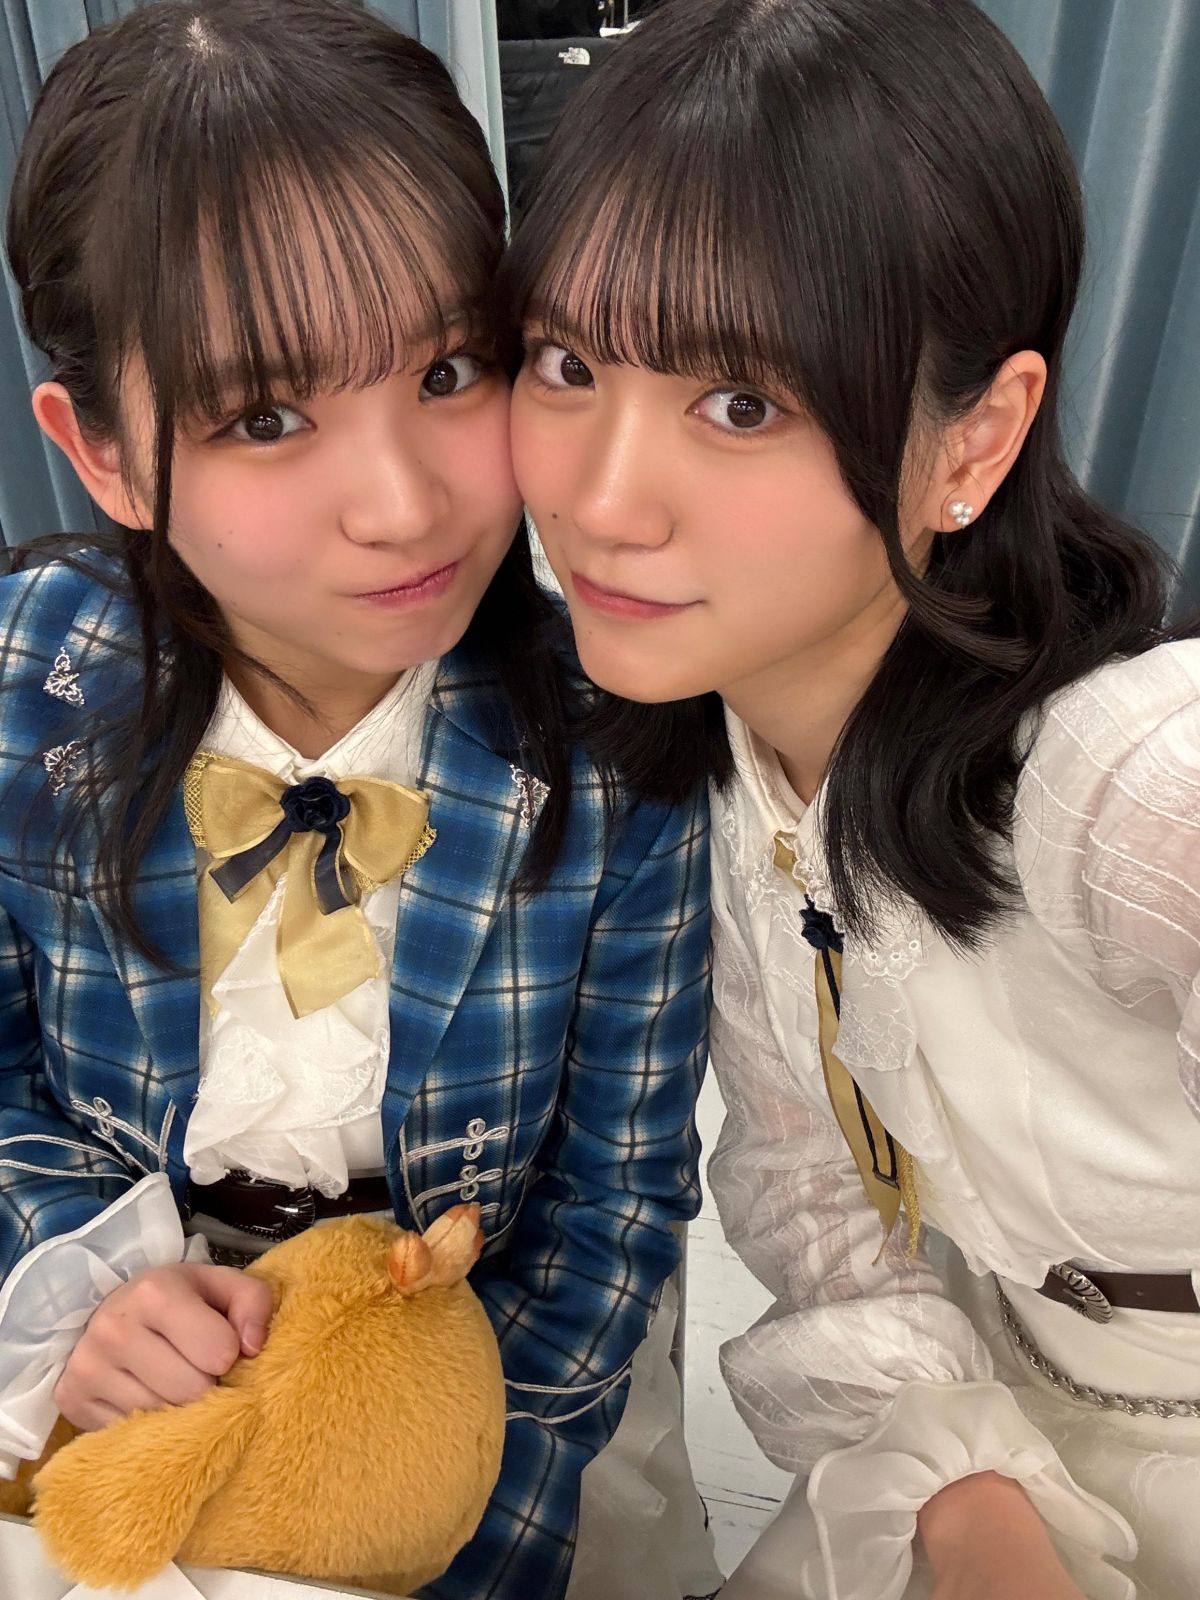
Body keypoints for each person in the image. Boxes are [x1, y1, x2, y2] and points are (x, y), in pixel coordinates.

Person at [0, 5, 716, 1599]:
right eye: (266, 418)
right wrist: (77, 1287)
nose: (405, 504)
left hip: (498, 1395)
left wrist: (454, 1531)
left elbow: (614, 1205)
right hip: (122, 1376)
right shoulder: (22, 686)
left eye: (450, 369)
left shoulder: (624, 740)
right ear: (104, 452)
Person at [504, 0, 1200, 1596]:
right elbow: (813, 1202)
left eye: (743, 404)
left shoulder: (1135, 794)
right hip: (998, 1426)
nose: (598, 500)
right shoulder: (727, 784)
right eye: (567, 363)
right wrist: (975, 1512)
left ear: (975, 441)